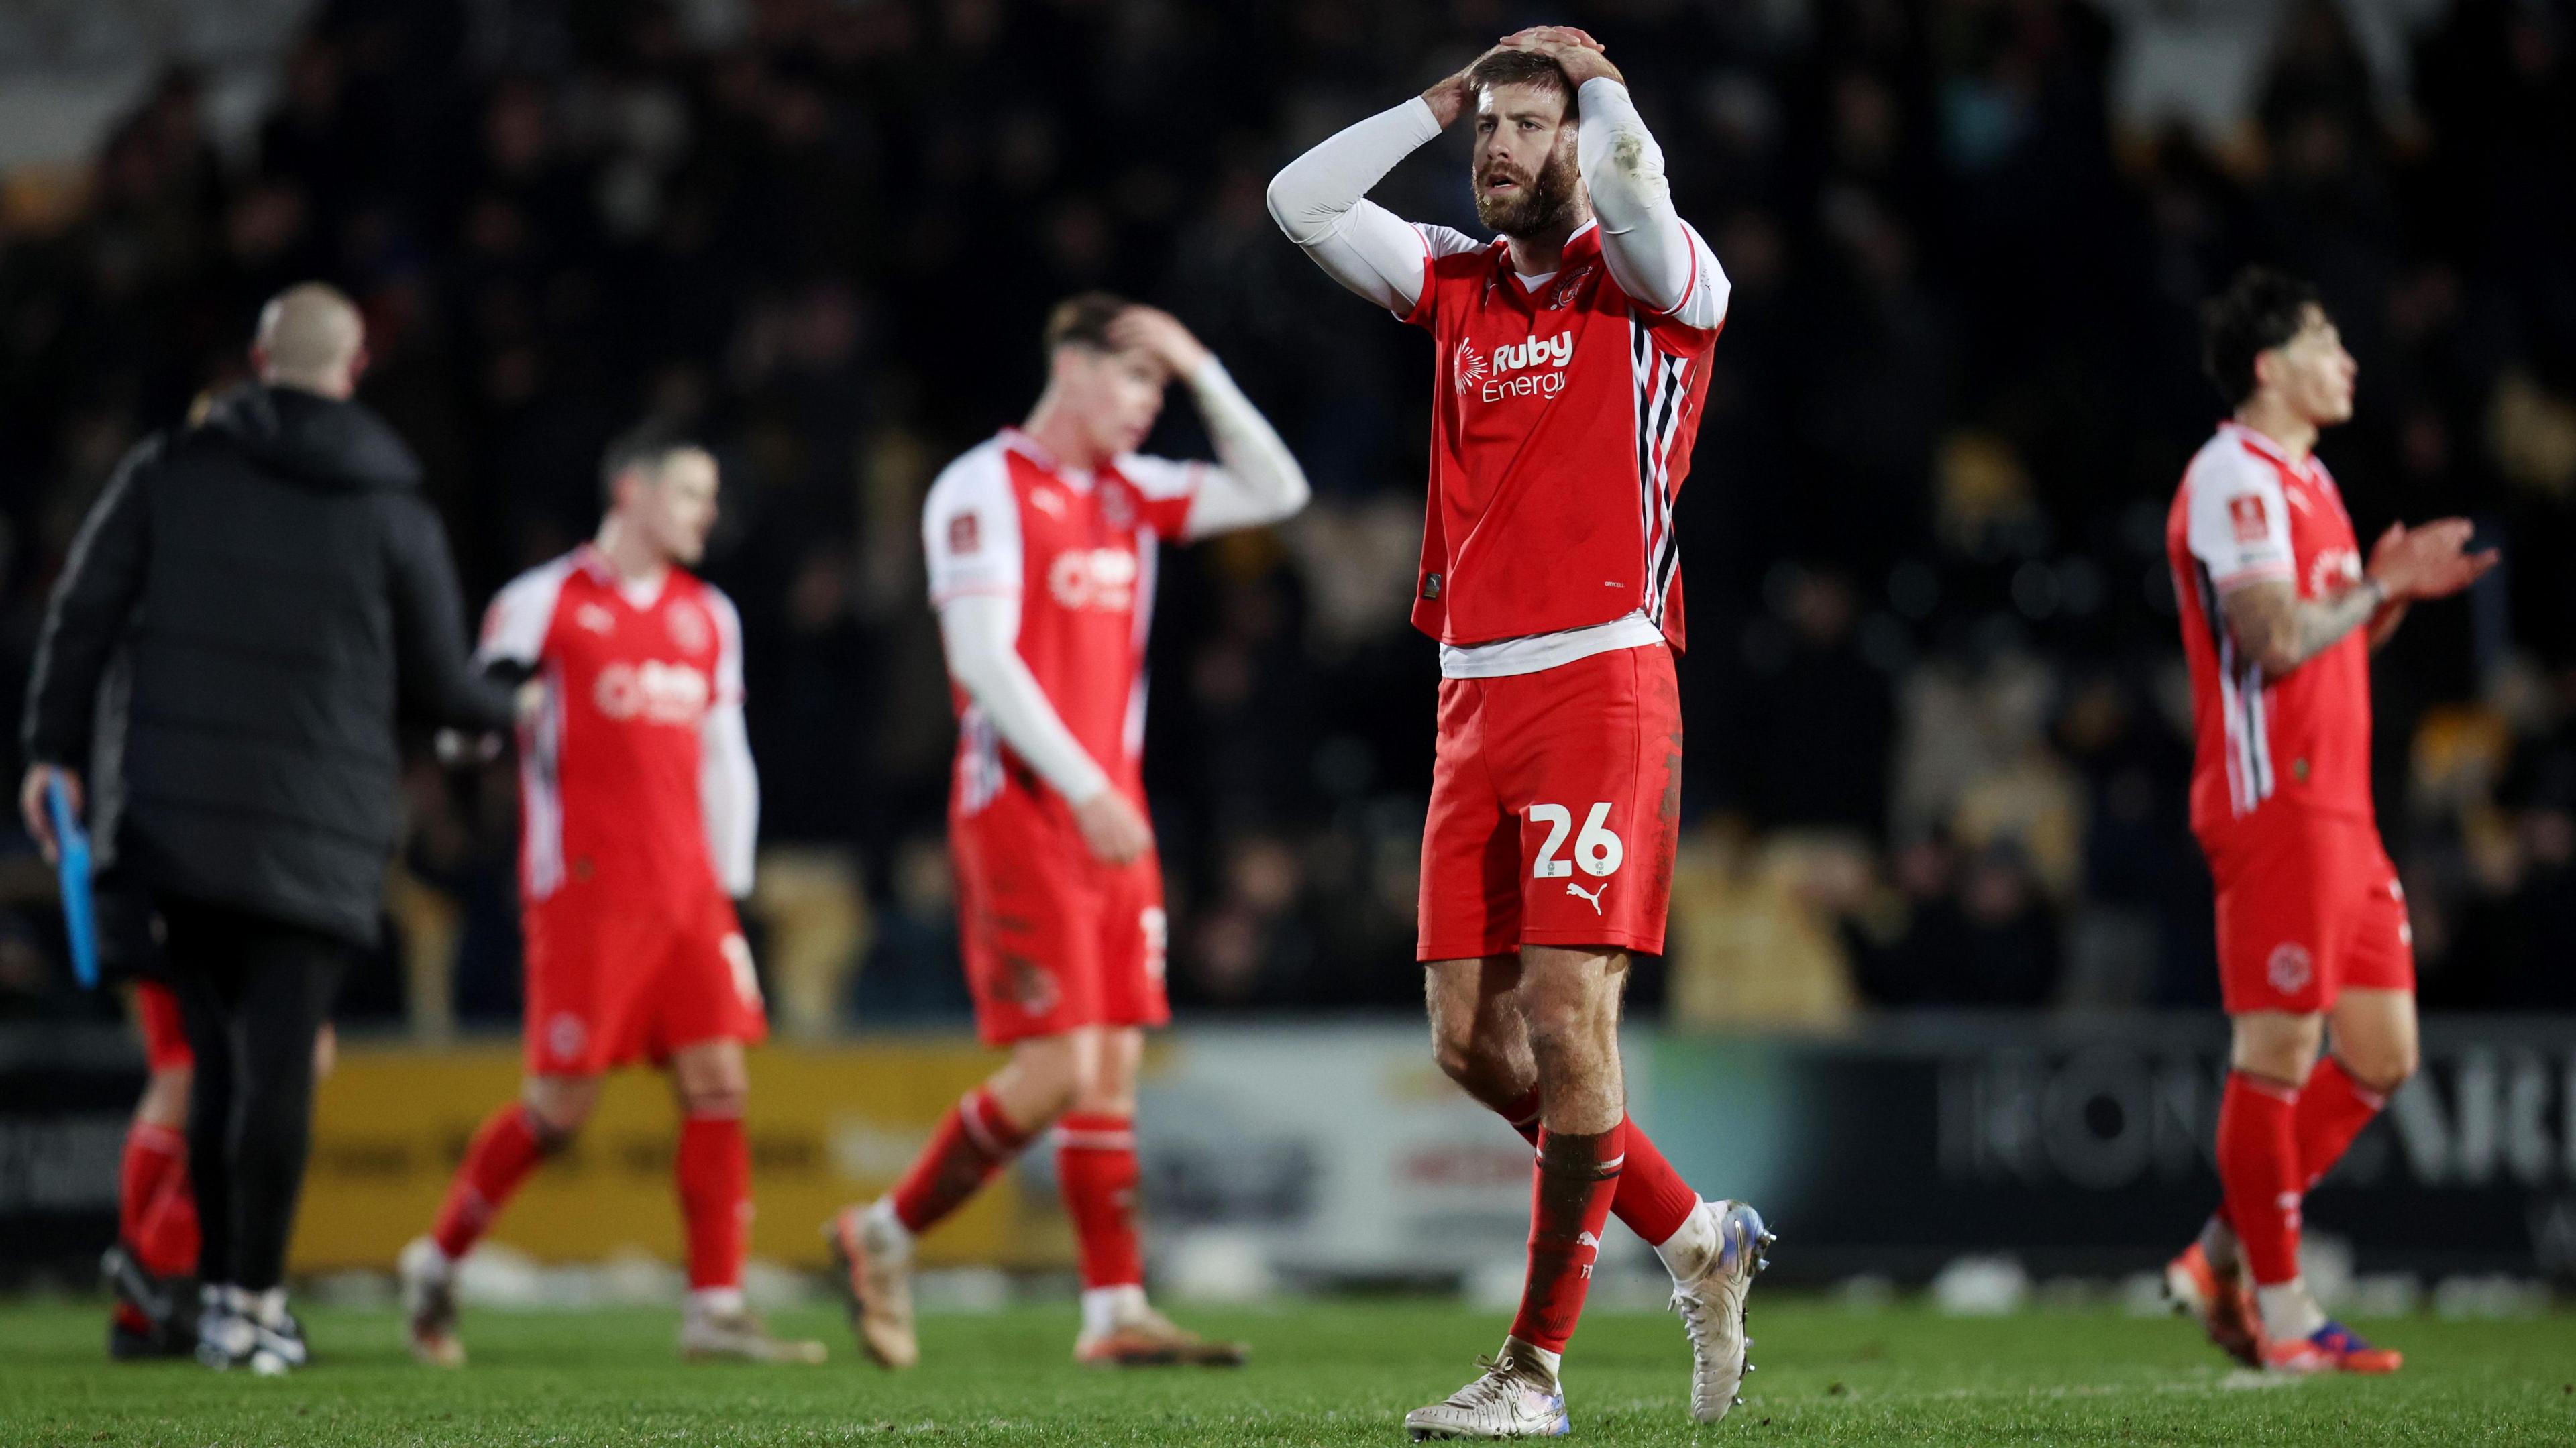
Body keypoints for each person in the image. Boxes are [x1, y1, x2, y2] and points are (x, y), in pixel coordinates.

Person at [1272, 27, 1768, 1437]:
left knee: (1566, 1017)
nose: (1499, 149)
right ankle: (1696, 1240)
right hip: (1472, 691)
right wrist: (1447, 94)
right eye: (1487, 129)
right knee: (1470, 1046)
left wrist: (1592, 75)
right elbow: (1299, 203)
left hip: (1603, 676)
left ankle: (1534, 1375)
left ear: (1588, 139)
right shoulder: (1453, 281)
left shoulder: (1660, 275)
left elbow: (1627, 189)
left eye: (1527, 129)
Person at [21, 283, 516, 1375]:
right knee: (282, 1066)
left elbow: (84, 611)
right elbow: (441, 682)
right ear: (352, 373)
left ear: (257, 357)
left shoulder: (168, 471)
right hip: (315, 829)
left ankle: (177, 1291)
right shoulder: (393, 506)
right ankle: (245, 1303)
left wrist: (50, 751)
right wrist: (508, 703)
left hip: (178, 822)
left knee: (209, 1062)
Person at [826, 295, 1309, 1370]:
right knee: (1053, 1071)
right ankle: (882, 1233)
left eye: (1157, 388)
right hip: (1027, 808)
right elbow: (983, 661)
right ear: (1073, 368)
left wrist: (1201, 364)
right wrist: (1088, 786)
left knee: (1113, 1069)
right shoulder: (979, 484)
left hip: (1109, 812)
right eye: (1135, 380)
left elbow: (1282, 488)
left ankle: (1113, 1311)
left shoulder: (1130, 494)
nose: (1149, 405)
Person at [397, 427, 820, 1367]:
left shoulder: (709, 613)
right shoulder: (541, 601)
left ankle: (714, 1309)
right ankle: (438, 1259)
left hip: (689, 894)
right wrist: (486, 725)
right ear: (631, 489)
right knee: (562, 1107)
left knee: (720, 1084)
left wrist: (732, 883)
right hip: (585, 891)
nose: (708, 512)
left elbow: (724, 756)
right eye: (691, 492)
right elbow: (472, 726)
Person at [2161, 267, 2495, 1375]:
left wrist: (2388, 595)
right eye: (2327, 342)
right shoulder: (2232, 475)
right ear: (2270, 367)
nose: (2348, 362)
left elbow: (2333, 635)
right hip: (2277, 800)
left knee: (2383, 1051)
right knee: (2280, 1046)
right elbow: (2273, 639)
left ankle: (2218, 1252)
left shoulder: (2314, 483)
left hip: (2344, 807)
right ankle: (2290, 1314)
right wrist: (2372, 590)